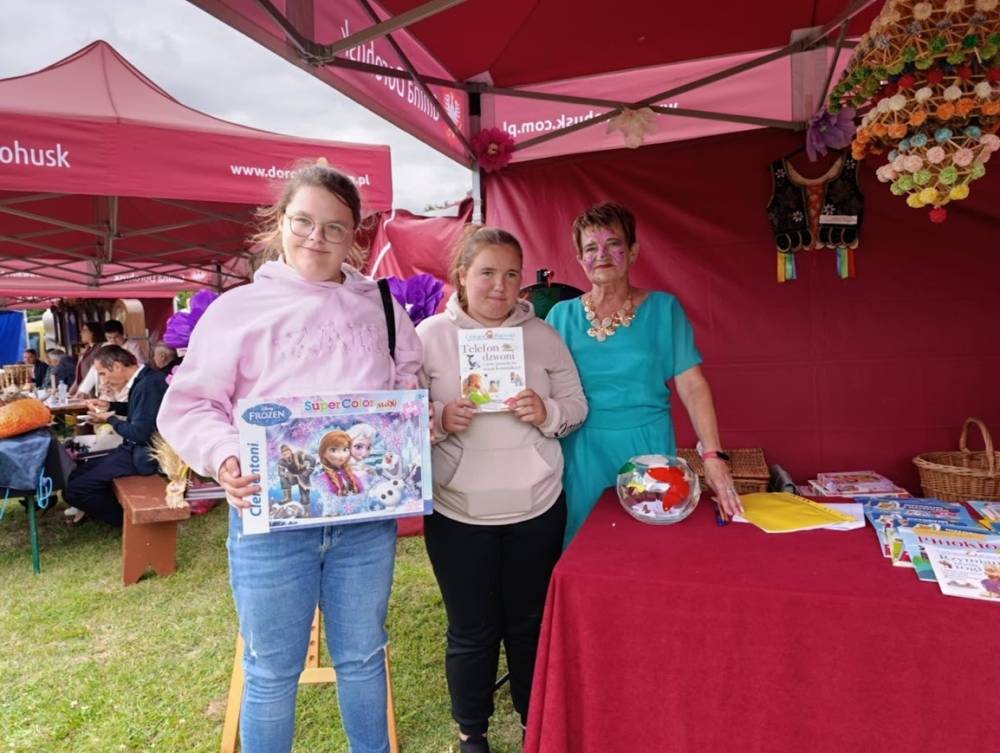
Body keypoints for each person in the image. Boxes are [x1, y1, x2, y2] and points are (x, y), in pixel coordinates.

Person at [156, 162, 421, 753]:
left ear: (355, 235)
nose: (316, 238)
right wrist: (226, 456)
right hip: (270, 523)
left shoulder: (382, 307)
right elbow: (192, 404)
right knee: (272, 669)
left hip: (362, 523)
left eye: (335, 227)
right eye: (303, 221)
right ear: (280, 222)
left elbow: (406, 390)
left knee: (363, 656)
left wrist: (405, 428)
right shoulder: (237, 310)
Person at [416, 226, 588, 753]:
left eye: (511, 274)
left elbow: (577, 406)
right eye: (487, 272)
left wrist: (548, 411)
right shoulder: (428, 337)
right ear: (462, 276)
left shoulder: (543, 336)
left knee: (530, 624)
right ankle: (473, 733)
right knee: (470, 630)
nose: (500, 285)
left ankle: (535, 723)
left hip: (535, 506)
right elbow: (399, 419)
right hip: (458, 511)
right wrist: (439, 418)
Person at [546, 202, 742, 545]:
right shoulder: (560, 317)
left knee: (645, 547)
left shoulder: (664, 309)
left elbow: (692, 385)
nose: (601, 255)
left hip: (647, 451)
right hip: (579, 452)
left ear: (633, 251)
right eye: (590, 248)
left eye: (613, 244)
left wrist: (713, 455)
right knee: (583, 547)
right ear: (579, 258)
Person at [62, 345, 168, 525]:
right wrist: (110, 406)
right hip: (133, 450)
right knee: (75, 474)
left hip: (143, 456)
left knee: (75, 490)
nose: (103, 380)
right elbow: (141, 411)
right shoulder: (145, 379)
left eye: (103, 374)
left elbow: (141, 434)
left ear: (118, 366)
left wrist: (110, 419)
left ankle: (128, 522)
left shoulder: (149, 384)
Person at [69, 321, 105, 396]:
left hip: (95, 389)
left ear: (93, 332)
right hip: (84, 389)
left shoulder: (101, 347)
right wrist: (72, 390)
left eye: (84, 330)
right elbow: (79, 374)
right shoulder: (87, 349)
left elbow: (93, 370)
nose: (81, 333)